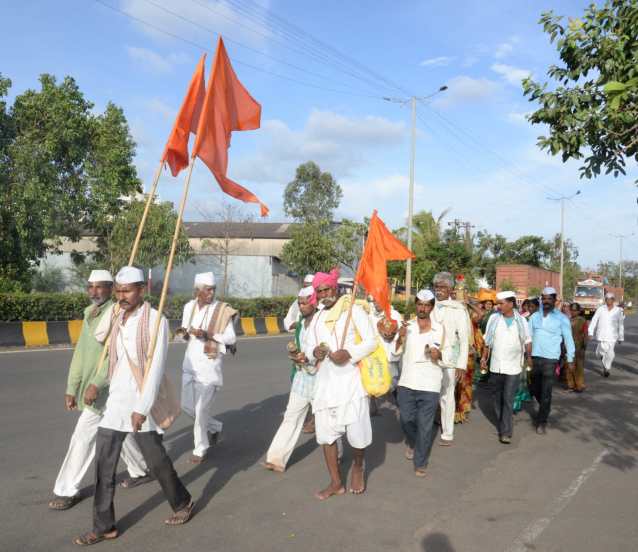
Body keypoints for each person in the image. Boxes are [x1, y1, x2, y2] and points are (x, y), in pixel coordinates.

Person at [74, 267, 192, 546]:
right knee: (104, 466)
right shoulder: (116, 314)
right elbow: (99, 335)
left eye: (127, 291)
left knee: (157, 462)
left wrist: (142, 406)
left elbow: (155, 369)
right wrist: (113, 309)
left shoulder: (155, 319)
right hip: (115, 401)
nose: (121, 296)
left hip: (141, 402)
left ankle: (183, 502)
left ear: (142, 289)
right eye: (118, 291)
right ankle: (104, 526)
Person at [49, 271, 150, 511]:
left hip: (109, 386)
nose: (94, 292)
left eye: (100, 287)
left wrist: (96, 383)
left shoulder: (118, 314)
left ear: (111, 289)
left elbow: (115, 356)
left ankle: (66, 490)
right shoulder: (89, 314)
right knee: (117, 428)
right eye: (90, 287)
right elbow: (81, 353)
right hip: (96, 388)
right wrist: (71, 387)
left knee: (82, 436)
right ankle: (140, 469)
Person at [303, 268, 376, 500]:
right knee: (326, 435)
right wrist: (313, 351)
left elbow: (371, 342)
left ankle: (357, 466)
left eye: (327, 288)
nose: (324, 293)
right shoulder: (316, 318)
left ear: (335, 288)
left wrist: (350, 353)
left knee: (357, 434)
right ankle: (335, 482)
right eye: (319, 290)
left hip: (351, 383)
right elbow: (307, 346)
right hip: (325, 385)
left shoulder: (353, 310)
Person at [177, 272, 237, 463]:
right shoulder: (189, 307)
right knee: (187, 407)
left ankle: (200, 448)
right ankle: (215, 427)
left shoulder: (221, 310)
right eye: (207, 290)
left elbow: (230, 338)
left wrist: (208, 334)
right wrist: (184, 334)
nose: (211, 293)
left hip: (210, 365)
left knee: (201, 410)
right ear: (197, 291)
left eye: (213, 290)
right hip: (190, 363)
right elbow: (185, 332)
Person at [264, 286, 317, 472]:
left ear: (314, 302)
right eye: (300, 303)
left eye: (305, 303)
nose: (301, 306)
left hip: (322, 378)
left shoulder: (324, 321)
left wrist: (310, 356)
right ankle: (276, 458)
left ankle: (338, 453)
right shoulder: (301, 322)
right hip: (302, 376)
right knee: (291, 416)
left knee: (329, 423)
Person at [395, 290, 444, 477]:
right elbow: (395, 354)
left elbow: (447, 353)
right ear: (416, 305)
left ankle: (421, 461)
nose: (423, 308)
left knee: (425, 425)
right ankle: (415, 442)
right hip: (407, 381)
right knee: (406, 419)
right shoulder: (406, 326)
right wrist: (399, 337)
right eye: (420, 304)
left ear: (431, 307)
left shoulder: (439, 328)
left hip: (430, 383)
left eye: (427, 305)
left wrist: (438, 354)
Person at [481, 291, 532, 444]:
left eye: (501, 303)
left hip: (514, 366)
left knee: (508, 398)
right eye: (498, 303)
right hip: (496, 366)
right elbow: (487, 342)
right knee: (496, 398)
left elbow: (527, 341)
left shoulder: (521, 321)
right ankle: (503, 420)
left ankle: (506, 431)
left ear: (511, 303)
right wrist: (484, 358)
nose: (498, 306)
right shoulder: (494, 319)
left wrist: (529, 358)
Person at [527, 287, 575, 435]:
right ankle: (545, 407)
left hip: (551, 359)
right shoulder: (534, 317)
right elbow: (528, 337)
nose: (546, 301)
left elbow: (568, 339)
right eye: (544, 298)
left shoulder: (562, 318)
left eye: (549, 298)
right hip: (534, 357)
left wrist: (570, 358)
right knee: (532, 388)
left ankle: (542, 421)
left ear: (554, 300)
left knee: (546, 390)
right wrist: (526, 356)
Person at [431, 272, 470, 446]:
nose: (438, 290)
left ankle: (447, 433)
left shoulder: (458, 309)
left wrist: (461, 365)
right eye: (436, 287)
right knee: (429, 394)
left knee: (447, 396)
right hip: (429, 358)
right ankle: (431, 422)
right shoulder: (428, 306)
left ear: (450, 289)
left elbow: (464, 339)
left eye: (442, 287)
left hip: (450, 359)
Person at [368, 296, 403, 409]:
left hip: (390, 355)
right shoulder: (369, 315)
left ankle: (400, 406)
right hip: (374, 355)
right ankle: (372, 405)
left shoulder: (394, 315)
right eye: (375, 301)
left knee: (392, 383)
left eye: (379, 300)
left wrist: (391, 335)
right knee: (372, 380)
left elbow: (401, 335)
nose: (377, 303)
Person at [588, 292, 624, 378]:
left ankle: (607, 368)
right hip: (602, 335)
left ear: (613, 300)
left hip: (612, 336)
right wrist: (590, 332)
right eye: (607, 299)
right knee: (600, 353)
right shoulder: (600, 309)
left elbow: (621, 324)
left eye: (610, 299)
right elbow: (594, 320)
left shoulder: (619, 310)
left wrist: (621, 337)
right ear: (605, 300)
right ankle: (604, 362)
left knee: (611, 353)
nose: (608, 300)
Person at [567, 302, 588, 392]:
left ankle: (579, 385)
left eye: (575, 310)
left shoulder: (582, 320)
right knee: (569, 365)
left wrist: (584, 345)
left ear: (579, 311)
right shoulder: (567, 320)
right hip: (568, 345)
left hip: (579, 346)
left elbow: (585, 333)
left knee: (579, 366)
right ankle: (571, 385)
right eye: (571, 310)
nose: (573, 312)